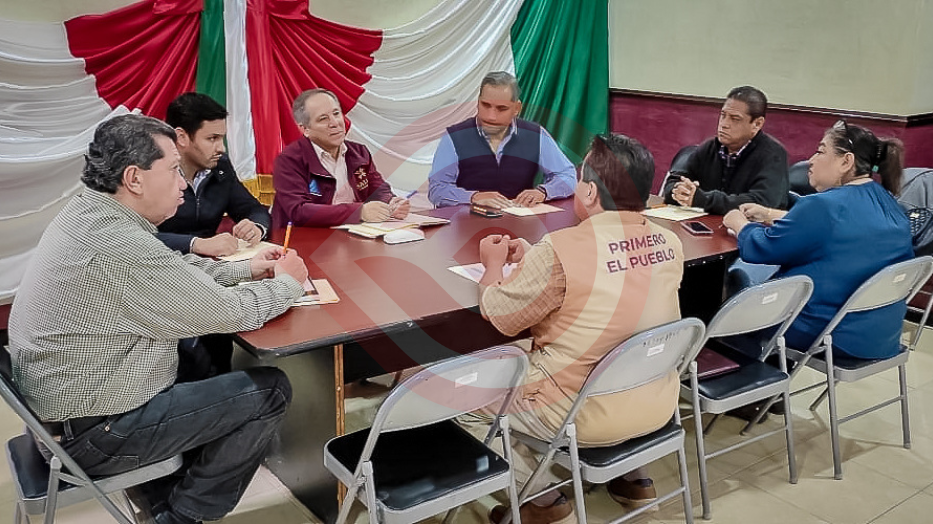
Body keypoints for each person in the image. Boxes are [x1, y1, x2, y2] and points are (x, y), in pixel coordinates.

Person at [8, 114, 309, 524]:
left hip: (67, 416)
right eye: (173, 170)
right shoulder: (118, 244)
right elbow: (230, 312)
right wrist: (289, 283)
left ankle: (160, 497)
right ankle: (179, 517)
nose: (182, 183)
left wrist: (247, 269)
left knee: (197, 362)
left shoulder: (92, 214)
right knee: (269, 391)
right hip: (97, 434)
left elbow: (169, 275)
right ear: (134, 178)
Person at [466, 134, 684, 524]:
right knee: (626, 341)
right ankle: (635, 480)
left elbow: (500, 314)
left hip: (580, 414)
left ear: (588, 190)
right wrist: (535, 260)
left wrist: (493, 266)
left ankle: (542, 501)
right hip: (658, 400)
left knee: (462, 398)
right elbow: (614, 282)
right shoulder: (670, 242)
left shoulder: (562, 247)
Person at [723, 120, 912, 360]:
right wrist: (770, 214)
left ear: (846, 162)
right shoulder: (890, 204)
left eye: (820, 151)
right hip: (878, 336)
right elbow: (841, 227)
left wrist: (739, 223)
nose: (811, 160)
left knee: (734, 295)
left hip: (828, 331)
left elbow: (762, 248)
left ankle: (739, 374)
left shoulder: (824, 206)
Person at [427, 71, 576, 209]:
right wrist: (473, 197)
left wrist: (543, 192)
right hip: (466, 221)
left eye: (501, 108)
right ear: (478, 102)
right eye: (485, 105)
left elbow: (567, 175)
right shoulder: (454, 137)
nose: (491, 116)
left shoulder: (536, 135)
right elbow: (437, 189)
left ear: (517, 108)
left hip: (520, 220)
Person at [272, 88, 410, 228]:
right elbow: (299, 211)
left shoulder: (359, 152)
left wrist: (391, 202)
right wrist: (358, 212)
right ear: (305, 129)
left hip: (354, 234)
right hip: (306, 237)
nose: (335, 123)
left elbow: (378, 190)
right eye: (323, 119)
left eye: (336, 114)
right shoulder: (289, 160)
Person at [157, 92, 271, 257]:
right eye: (212, 138)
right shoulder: (150, 172)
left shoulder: (220, 166)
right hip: (162, 264)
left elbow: (253, 209)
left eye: (221, 138)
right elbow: (133, 236)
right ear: (181, 137)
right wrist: (196, 244)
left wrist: (256, 227)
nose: (221, 148)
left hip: (213, 263)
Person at [663, 86, 789, 215]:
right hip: (706, 223)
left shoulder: (773, 155)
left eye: (735, 119)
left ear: (757, 124)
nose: (724, 124)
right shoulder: (710, 147)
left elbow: (760, 204)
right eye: (723, 115)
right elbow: (674, 181)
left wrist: (704, 200)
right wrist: (679, 190)